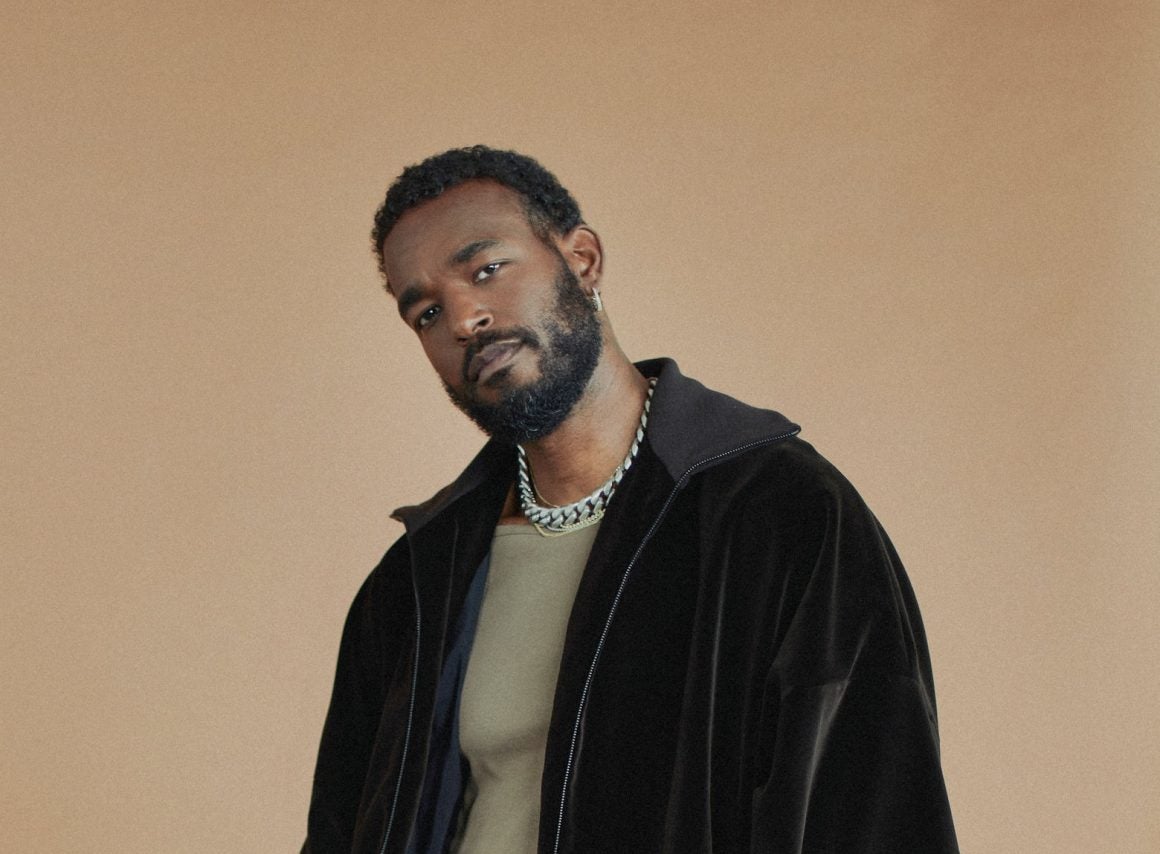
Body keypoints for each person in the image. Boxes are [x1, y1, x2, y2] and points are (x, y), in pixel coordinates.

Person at [303, 146, 958, 854]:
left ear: (582, 259)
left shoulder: (780, 517)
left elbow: (874, 813)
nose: (464, 318)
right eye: (427, 312)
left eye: (487, 269)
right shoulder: (416, 583)